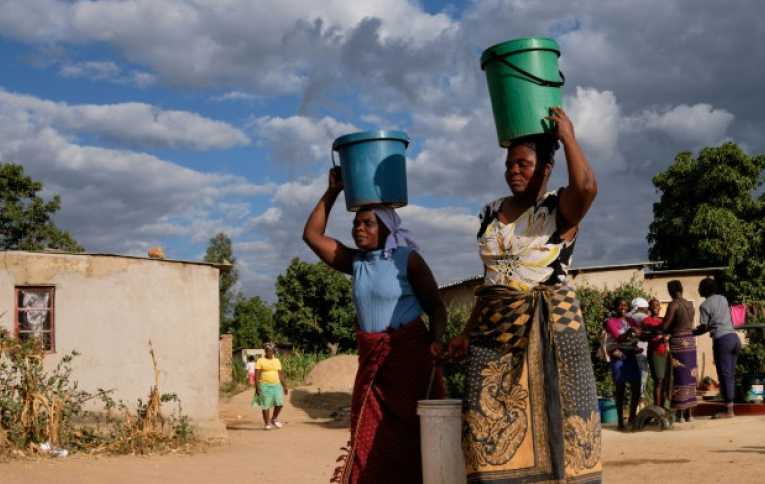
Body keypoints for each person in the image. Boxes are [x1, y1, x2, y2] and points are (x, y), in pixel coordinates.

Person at [448, 106, 601, 483]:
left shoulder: (559, 208)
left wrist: (568, 137)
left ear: (546, 167)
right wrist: (467, 332)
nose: (513, 170)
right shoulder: (489, 212)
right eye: (509, 164)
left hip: (552, 329)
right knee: (482, 433)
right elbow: (492, 280)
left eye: (523, 164)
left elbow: (586, 187)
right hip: (493, 334)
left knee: (561, 425)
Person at [303, 167, 447, 484]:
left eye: (367, 223)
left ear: (386, 227)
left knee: (416, 438)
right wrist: (333, 191)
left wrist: (437, 338)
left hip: (409, 363)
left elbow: (436, 306)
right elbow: (312, 236)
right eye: (356, 223)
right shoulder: (356, 263)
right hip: (373, 368)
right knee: (368, 442)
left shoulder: (407, 260)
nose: (359, 228)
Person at [693, 278, 741, 418]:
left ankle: (729, 410)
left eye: (700, 287)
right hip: (734, 339)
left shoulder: (704, 306)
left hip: (722, 340)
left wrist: (690, 332)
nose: (699, 290)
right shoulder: (723, 298)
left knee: (724, 375)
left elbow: (704, 328)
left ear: (706, 290)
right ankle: (729, 406)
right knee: (729, 375)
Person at [659, 280, 698, 422]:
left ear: (670, 291)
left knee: (679, 376)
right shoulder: (690, 305)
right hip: (691, 341)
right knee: (690, 376)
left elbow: (665, 327)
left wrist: (654, 328)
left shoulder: (674, 304)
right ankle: (689, 414)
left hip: (679, 341)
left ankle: (680, 414)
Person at [605, 297, 642, 429]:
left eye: (625, 305)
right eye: (620, 305)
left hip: (631, 355)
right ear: (615, 307)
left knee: (636, 386)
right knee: (620, 388)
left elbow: (639, 334)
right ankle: (620, 421)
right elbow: (619, 339)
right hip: (618, 356)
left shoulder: (631, 320)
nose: (623, 308)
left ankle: (632, 417)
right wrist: (630, 330)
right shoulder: (611, 322)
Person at [642, 298, 669, 408]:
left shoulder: (664, 320)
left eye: (657, 305)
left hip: (666, 353)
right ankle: (657, 408)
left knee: (665, 382)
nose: (655, 308)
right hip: (655, 353)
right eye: (652, 306)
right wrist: (660, 336)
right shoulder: (647, 320)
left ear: (660, 307)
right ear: (649, 308)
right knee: (658, 380)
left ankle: (662, 407)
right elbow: (648, 336)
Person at [254, 343, 288, 430]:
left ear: (274, 352)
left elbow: (280, 375)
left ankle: (274, 419)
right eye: (268, 351)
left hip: (276, 385)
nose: (269, 352)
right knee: (266, 405)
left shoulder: (277, 361)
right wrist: (257, 387)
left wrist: (285, 386)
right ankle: (267, 423)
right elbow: (256, 375)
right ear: (265, 351)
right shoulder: (260, 361)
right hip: (264, 385)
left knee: (279, 403)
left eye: (271, 351)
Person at [630, 297, 651, 406]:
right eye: (647, 308)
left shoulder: (629, 316)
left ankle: (635, 402)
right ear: (643, 308)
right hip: (642, 350)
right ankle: (641, 402)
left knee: (635, 377)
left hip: (632, 349)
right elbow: (648, 333)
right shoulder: (643, 317)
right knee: (643, 376)